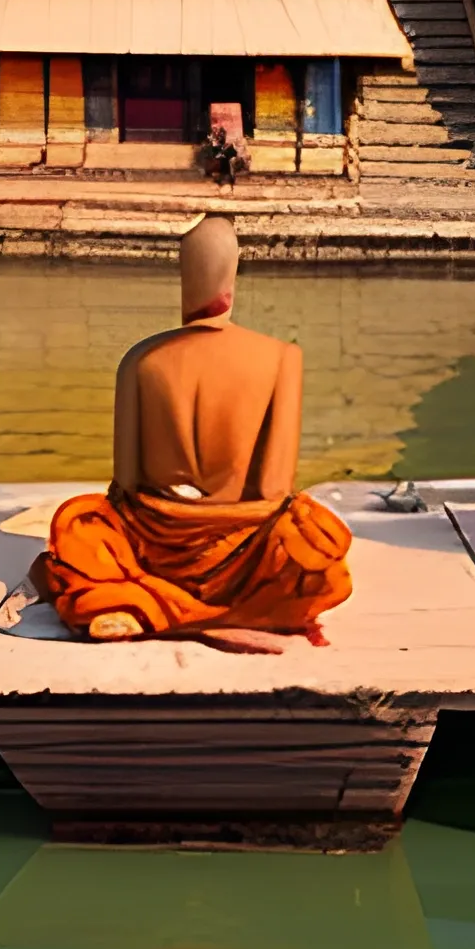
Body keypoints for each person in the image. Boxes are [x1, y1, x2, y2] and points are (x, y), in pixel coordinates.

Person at [33, 216, 352, 649]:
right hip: (249, 558)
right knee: (312, 544)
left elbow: (124, 482)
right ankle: (252, 612)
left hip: (155, 543)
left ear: (185, 279)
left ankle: (129, 602)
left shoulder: (141, 359)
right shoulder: (282, 357)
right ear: (232, 279)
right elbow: (276, 487)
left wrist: (174, 513)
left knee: (80, 522)